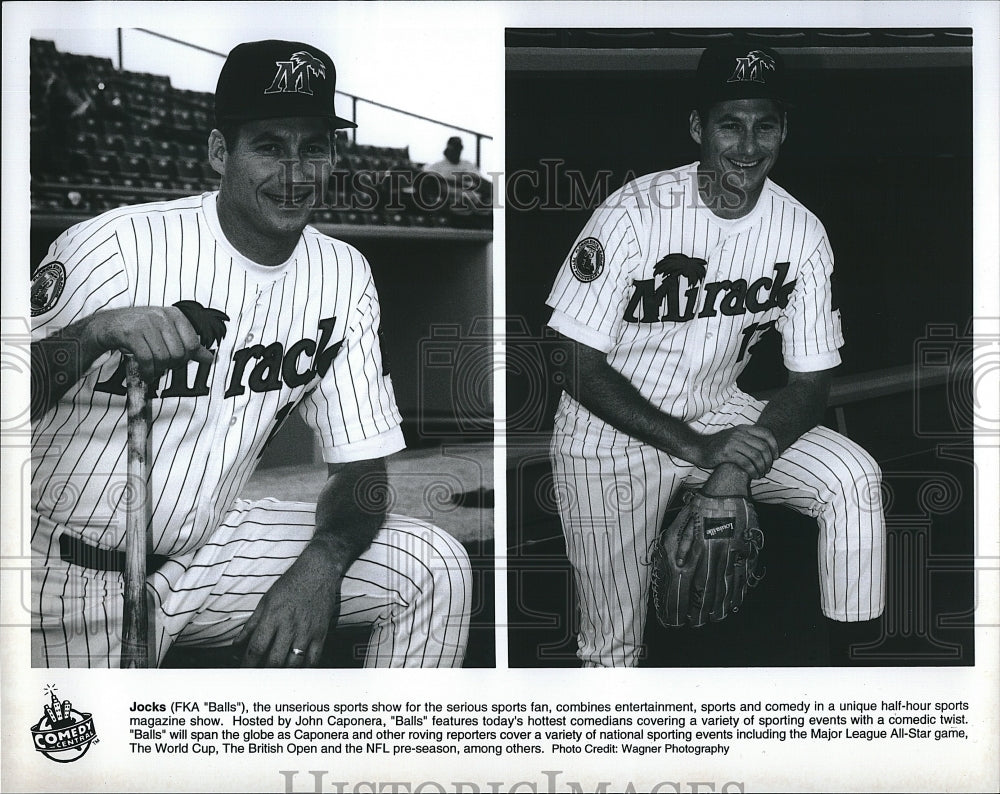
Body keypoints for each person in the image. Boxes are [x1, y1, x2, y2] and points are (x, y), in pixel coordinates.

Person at [30, 39, 471, 668]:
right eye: (268, 146)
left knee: (433, 566)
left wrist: (321, 565)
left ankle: (379, 762)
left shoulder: (342, 274)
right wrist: (93, 332)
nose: (294, 175)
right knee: (85, 760)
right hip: (62, 565)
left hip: (207, 555)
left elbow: (363, 468)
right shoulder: (114, 246)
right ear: (220, 152)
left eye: (312, 148)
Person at [545, 44, 885, 667]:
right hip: (607, 430)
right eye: (731, 124)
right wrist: (694, 448)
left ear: (785, 130)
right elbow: (569, 360)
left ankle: (854, 671)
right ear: (699, 127)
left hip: (718, 409)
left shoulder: (800, 231)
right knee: (611, 646)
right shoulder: (632, 214)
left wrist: (733, 468)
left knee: (851, 478)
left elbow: (810, 382)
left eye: (766, 125)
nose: (749, 146)